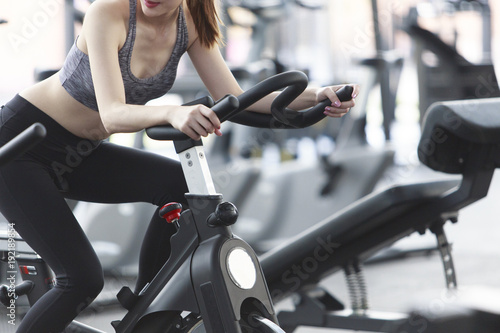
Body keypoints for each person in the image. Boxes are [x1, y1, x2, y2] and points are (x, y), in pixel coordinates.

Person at [0, 0, 359, 332]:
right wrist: (173, 111)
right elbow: (113, 115)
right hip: (20, 145)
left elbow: (233, 97)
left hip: (79, 150)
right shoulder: (108, 13)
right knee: (81, 279)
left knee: (179, 188)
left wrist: (316, 95)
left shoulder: (190, 23)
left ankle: (146, 307)